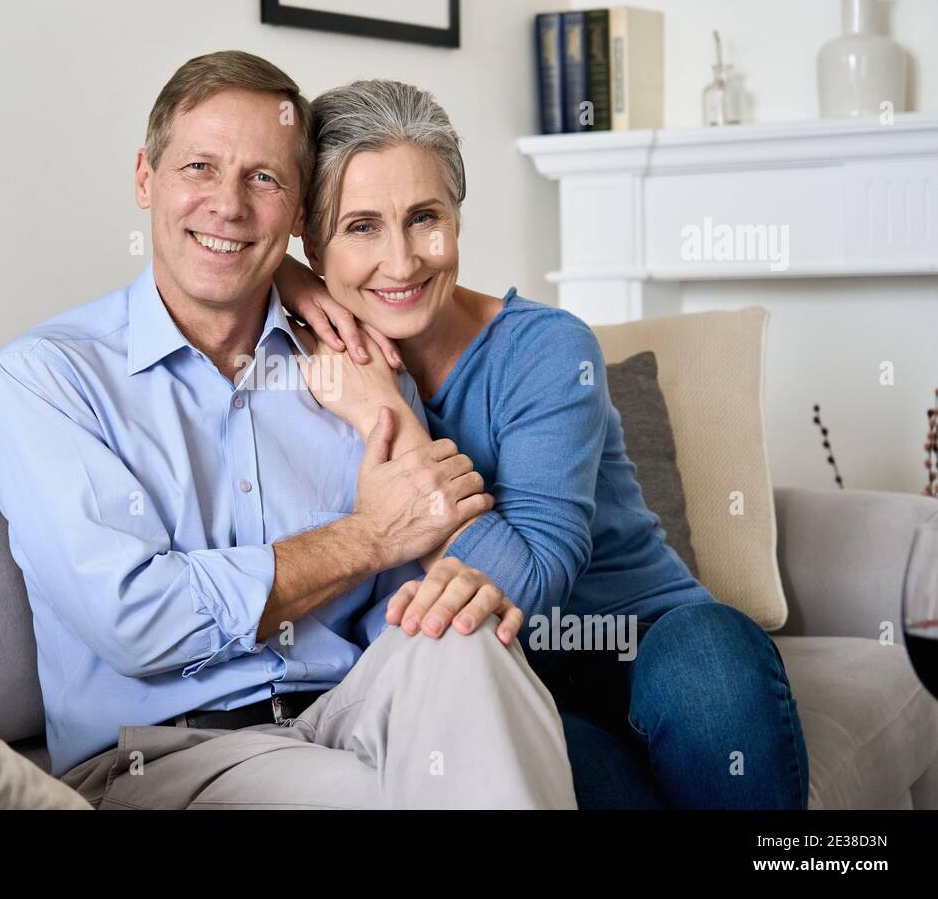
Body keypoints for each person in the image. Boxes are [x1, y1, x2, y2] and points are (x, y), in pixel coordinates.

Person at [0, 51, 577, 809]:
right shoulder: (51, 377)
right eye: (198, 167)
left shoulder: (353, 362)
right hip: (168, 752)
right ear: (145, 179)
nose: (228, 205)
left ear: (296, 216)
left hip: (343, 709)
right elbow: (136, 619)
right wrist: (365, 537)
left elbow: (416, 590)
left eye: (263, 178)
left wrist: (389, 427)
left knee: (464, 647)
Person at [276, 78, 810, 809]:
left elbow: (527, 581)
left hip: (640, 644)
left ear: (457, 219)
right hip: (495, 682)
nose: (401, 263)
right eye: (361, 227)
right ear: (313, 238)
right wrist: (283, 274)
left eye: (424, 218)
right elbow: (207, 252)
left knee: (711, 658)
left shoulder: (548, 349)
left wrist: (385, 418)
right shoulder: (294, 358)